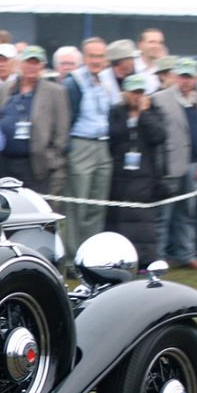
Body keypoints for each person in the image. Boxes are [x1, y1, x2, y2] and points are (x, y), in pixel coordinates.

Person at [62, 38, 127, 261]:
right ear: (84, 57)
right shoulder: (74, 82)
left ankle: (91, 255)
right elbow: (67, 118)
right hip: (81, 143)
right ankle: (72, 256)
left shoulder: (107, 82)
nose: (96, 61)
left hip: (103, 145)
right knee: (77, 203)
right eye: (92, 56)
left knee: (97, 204)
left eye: (100, 56)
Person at [151, 58, 197, 270]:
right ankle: (158, 258)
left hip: (194, 166)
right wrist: (160, 167)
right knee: (163, 216)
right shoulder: (159, 99)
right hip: (169, 165)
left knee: (188, 214)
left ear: (196, 77)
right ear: (175, 76)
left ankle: (188, 255)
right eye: (182, 76)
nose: (185, 81)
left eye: (189, 77)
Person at [106, 75, 168, 265]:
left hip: (146, 172)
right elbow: (114, 136)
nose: (137, 96)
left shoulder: (154, 111)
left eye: (140, 92)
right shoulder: (116, 112)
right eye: (133, 92)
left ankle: (145, 258)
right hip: (121, 172)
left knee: (143, 218)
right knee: (121, 216)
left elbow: (158, 135)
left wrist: (144, 114)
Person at [0, 46, 69, 193]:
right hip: (5, 161)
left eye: (36, 63)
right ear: (20, 64)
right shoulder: (4, 89)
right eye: (28, 62)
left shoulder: (56, 92)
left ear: (42, 66)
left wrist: (51, 158)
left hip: (35, 164)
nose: (31, 67)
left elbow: (62, 131)